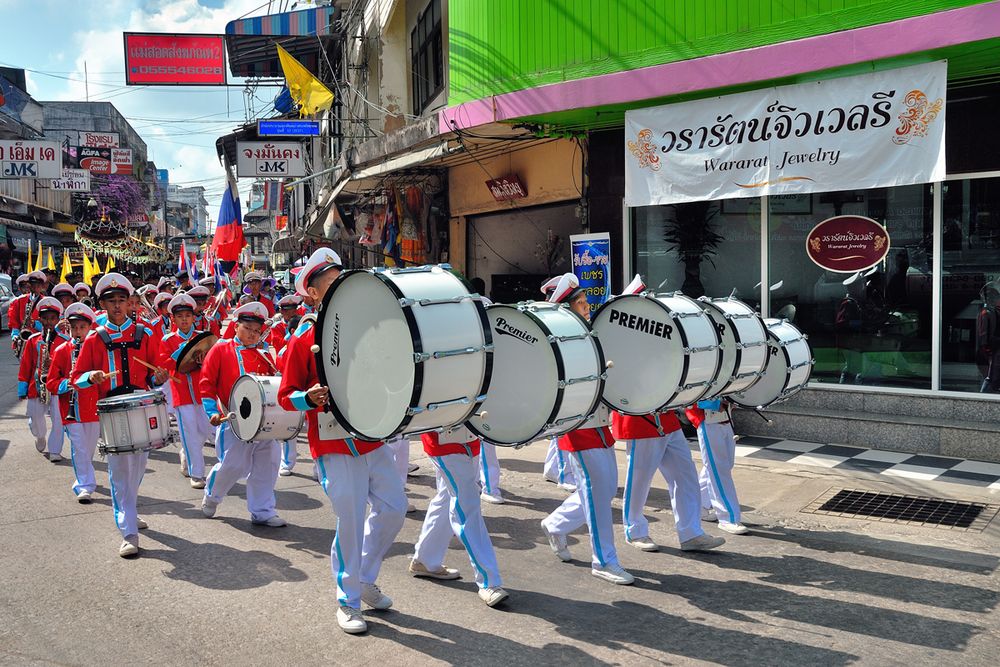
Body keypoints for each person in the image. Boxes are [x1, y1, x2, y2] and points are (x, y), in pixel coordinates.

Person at [278, 249, 406, 635]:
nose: (340, 287)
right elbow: (287, 395)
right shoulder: (302, 339)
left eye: (340, 279)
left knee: (395, 508)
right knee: (349, 522)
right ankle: (347, 599)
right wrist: (309, 397)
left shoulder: (367, 327)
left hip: (371, 438)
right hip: (333, 443)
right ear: (313, 294)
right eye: (330, 282)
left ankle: (363, 576)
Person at [539, 274, 633, 585]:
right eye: (580, 304)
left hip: (600, 425)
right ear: (565, 308)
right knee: (596, 493)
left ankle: (556, 524)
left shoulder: (588, 334)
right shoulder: (561, 340)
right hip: (579, 427)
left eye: (586, 303)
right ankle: (604, 560)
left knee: (604, 490)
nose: (587, 309)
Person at [71, 273, 168, 558]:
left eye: (121, 300)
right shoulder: (94, 339)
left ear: (129, 303)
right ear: (102, 304)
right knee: (119, 472)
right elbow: (77, 378)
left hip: (141, 406)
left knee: (137, 468)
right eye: (111, 301)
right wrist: (92, 375)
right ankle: (128, 531)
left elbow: (155, 373)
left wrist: (160, 376)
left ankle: (130, 506)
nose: (116, 305)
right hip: (112, 410)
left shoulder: (143, 334)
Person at [199, 302, 286, 527]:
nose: (252, 334)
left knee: (269, 463)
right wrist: (212, 412)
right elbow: (207, 383)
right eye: (248, 328)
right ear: (236, 326)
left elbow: (274, 386)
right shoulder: (221, 348)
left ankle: (262, 510)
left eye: (257, 331)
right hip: (234, 420)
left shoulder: (265, 354)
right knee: (233, 465)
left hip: (264, 422)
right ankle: (212, 495)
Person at [411, 425, 508, 607]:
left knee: (447, 498)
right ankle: (489, 581)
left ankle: (425, 560)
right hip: (444, 438)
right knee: (467, 504)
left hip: (470, 437)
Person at [46, 302, 99, 501]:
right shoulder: (61, 350)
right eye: (74, 327)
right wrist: (65, 384)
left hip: (93, 407)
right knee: (79, 447)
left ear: (89, 328)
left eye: (82, 327)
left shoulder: (96, 348)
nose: (78, 332)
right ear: (69, 328)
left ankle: (86, 473)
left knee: (89, 447)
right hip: (72, 409)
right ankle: (84, 485)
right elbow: (51, 381)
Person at [160, 293, 212, 489]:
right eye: (180, 316)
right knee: (189, 432)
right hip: (181, 392)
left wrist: (202, 359)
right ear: (173, 319)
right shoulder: (168, 339)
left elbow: (212, 360)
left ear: (193, 317)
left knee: (207, 429)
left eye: (187, 316)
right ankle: (197, 473)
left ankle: (186, 453)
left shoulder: (202, 337)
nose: (184, 320)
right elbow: (164, 362)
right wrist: (185, 352)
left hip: (202, 390)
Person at [685, 399, 748, 534]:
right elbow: (690, 397)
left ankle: (699, 505)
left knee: (720, 466)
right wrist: (712, 404)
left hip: (725, 419)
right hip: (707, 420)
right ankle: (728, 518)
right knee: (718, 469)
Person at [18, 296, 68, 459]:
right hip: (36, 386)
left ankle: (55, 450)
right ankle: (40, 436)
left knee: (58, 421)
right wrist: (22, 388)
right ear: (39, 319)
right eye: (45, 318)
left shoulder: (65, 341)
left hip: (56, 386)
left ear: (57, 319)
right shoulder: (33, 340)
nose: (48, 322)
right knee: (36, 418)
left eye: (52, 318)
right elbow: (26, 365)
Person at [10, 270, 47, 351]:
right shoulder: (19, 301)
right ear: (29, 285)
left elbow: (49, 325)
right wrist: (15, 335)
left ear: (42, 287)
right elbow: (14, 322)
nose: (35, 288)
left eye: (38, 286)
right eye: (33, 285)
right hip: (23, 341)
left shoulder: (46, 302)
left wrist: (34, 324)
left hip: (40, 340)